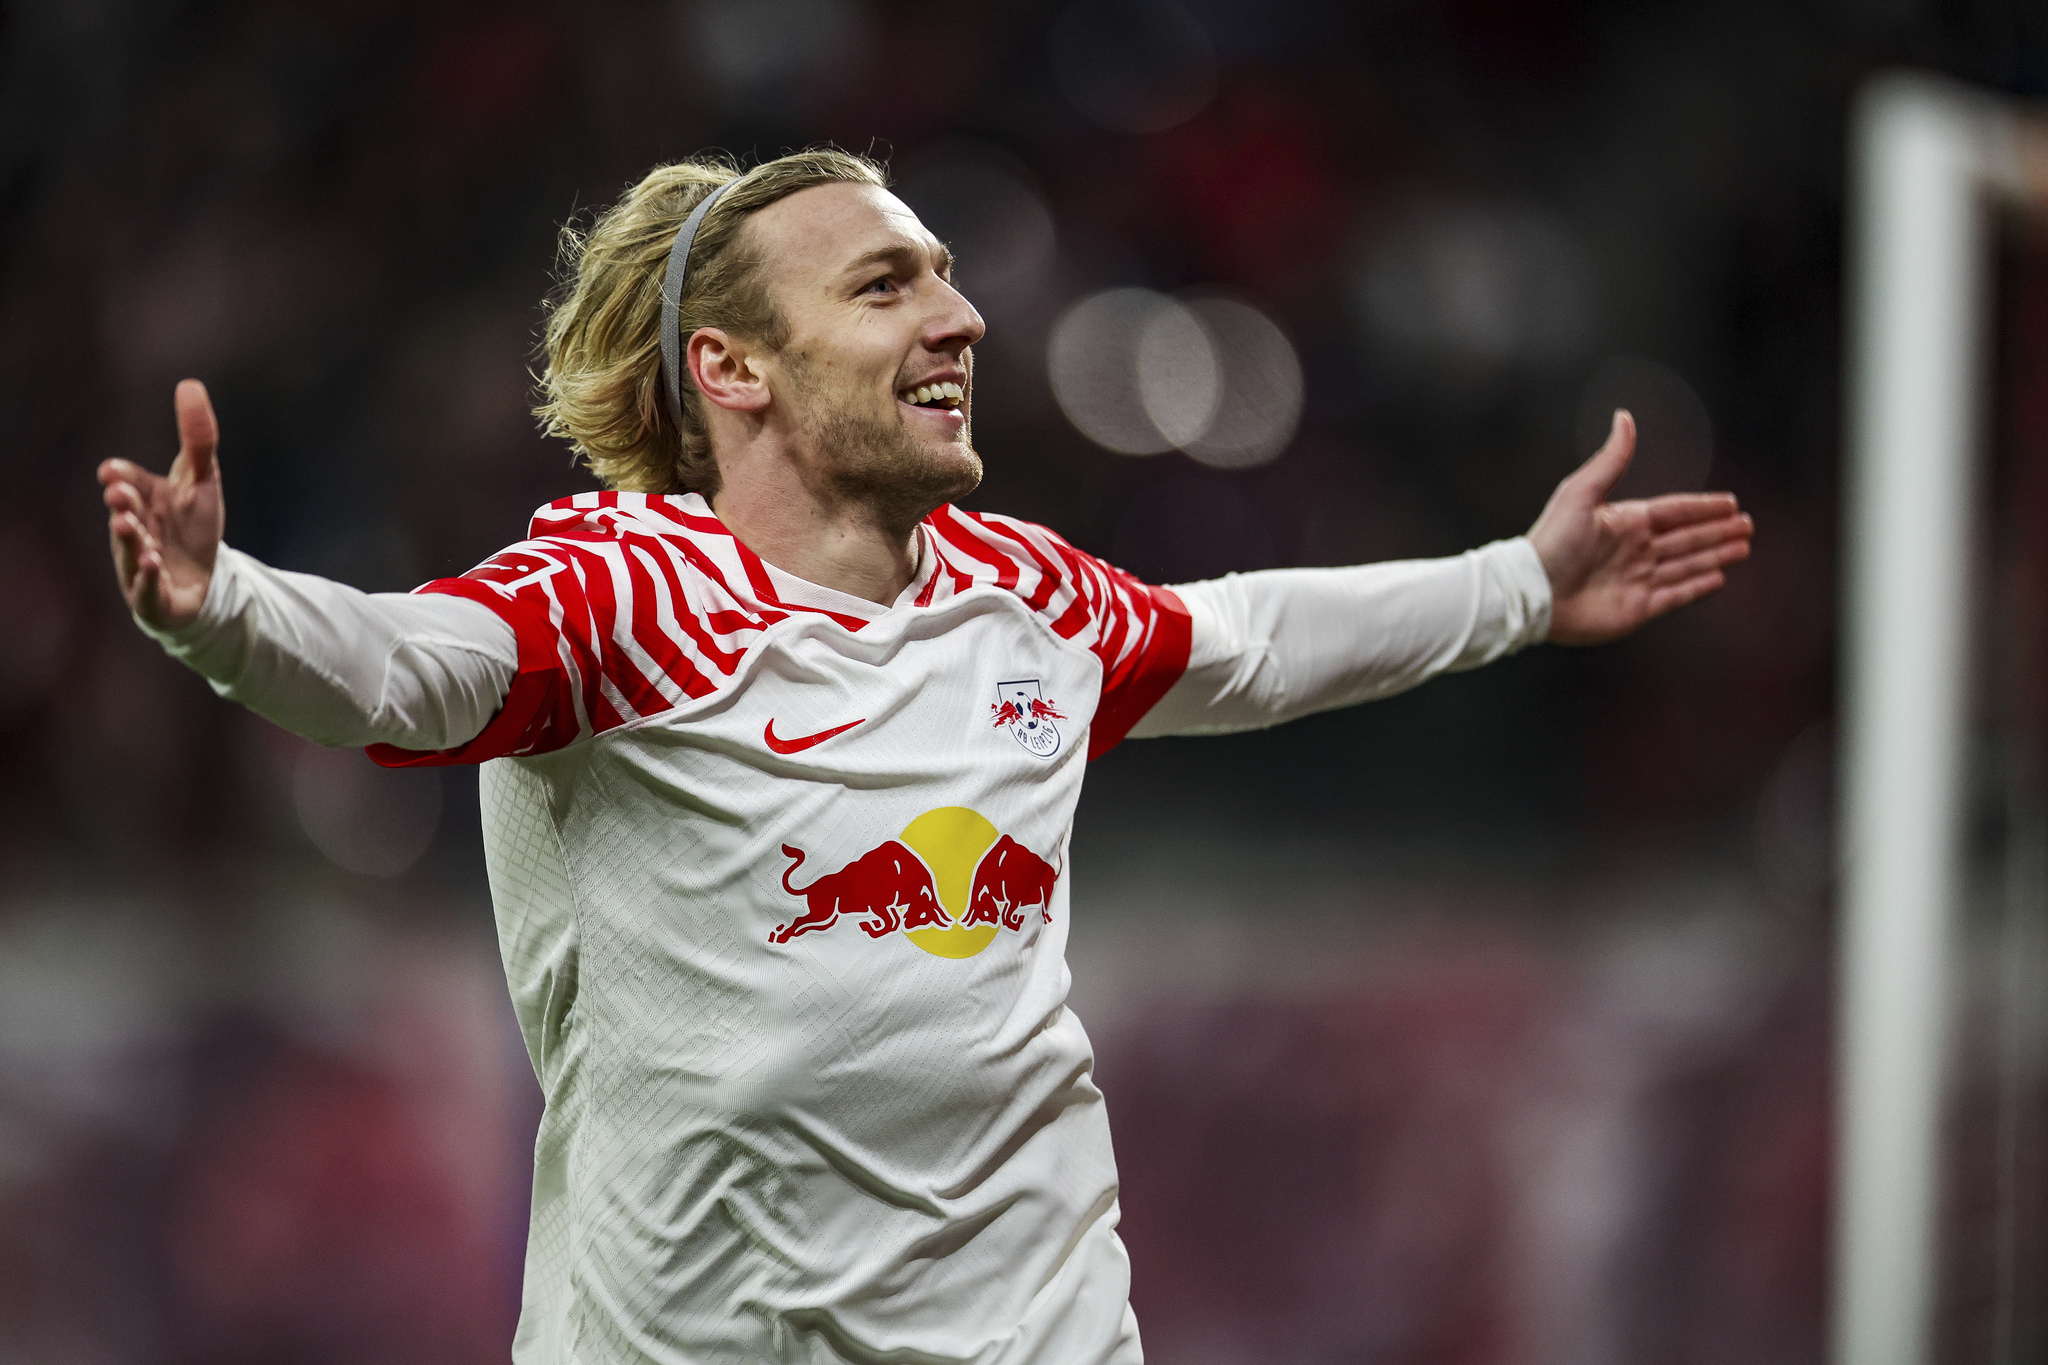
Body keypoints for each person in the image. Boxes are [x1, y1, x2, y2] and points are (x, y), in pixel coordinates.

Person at [97, 149, 1752, 1364]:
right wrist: (218, 605)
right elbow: (399, 669)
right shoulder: (628, 596)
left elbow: (1254, 637)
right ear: (730, 371)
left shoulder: (1020, 598)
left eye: (945, 272)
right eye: (887, 285)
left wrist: (1523, 583)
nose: (959, 315)